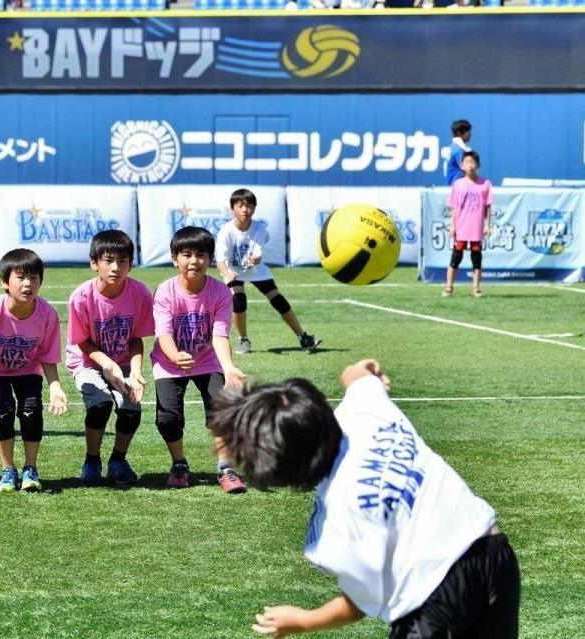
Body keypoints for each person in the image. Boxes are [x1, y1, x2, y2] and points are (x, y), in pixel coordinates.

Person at [209, 358, 520, 638]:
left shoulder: (336, 523)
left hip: (431, 597)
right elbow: (354, 374)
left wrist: (304, 620)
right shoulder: (363, 413)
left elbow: (361, 601)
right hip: (492, 551)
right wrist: (370, 369)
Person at [151, 226, 248, 494]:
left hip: (207, 361)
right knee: (167, 419)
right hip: (169, 363)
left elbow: (220, 334)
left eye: (201, 255)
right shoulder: (165, 291)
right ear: (175, 259)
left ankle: (226, 468)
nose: (194, 261)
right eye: (187, 254)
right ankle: (179, 464)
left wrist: (229, 369)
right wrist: (174, 355)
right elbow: (163, 334)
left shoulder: (219, 292)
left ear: (210, 259)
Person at [0, 248, 68, 493]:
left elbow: (47, 355)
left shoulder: (47, 314)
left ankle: (30, 469)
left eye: (34, 278)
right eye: (21, 277)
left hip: (28, 370)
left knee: (31, 411)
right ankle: (8, 470)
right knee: (3, 412)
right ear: (5, 282)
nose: (28, 284)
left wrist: (55, 387)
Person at [66, 230, 154, 487]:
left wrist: (135, 371)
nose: (116, 267)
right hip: (87, 360)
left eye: (123, 261)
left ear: (131, 264)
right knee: (100, 404)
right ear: (94, 263)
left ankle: (118, 460)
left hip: (124, 360)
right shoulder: (81, 297)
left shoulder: (139, 292)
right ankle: (92, 460)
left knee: (131, 406)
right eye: (108, 260)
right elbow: (82, 341)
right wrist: (107, 364)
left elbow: (137, 338)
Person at [216, 188, 321, 354]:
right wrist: (229, 275)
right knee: (239, 299)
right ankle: (243, 340)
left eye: (249, 206)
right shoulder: (225, 232)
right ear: (232, 209)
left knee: (278, 300)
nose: (245, 210)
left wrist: (255, 259)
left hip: (257, 271)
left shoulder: (259, 228)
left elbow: (257, 253)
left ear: (254, 209)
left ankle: (303, 336)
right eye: (240, 205)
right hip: (233, 271)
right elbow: (220, 262)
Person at [443, 151, 492, 298]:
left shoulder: (485, 184)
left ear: (478, 165)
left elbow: (488, 206)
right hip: (462, 226)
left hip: (476, 227)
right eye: (467, 162)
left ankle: (476, 288)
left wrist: (487, 224)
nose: (470, 165)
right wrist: (453, 225)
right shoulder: (458, 184)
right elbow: (454, 207)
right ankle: (448, 288)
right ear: (462, 166)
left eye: (473, 162)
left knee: (476, 257)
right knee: (456, 257)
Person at [444, 119, 472, 186]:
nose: (470, 134)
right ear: (459, 133)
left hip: (452, 187)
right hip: (457, 188)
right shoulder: (458, 150)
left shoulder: (452, 147)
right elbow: (468, 169)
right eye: (467, 131)